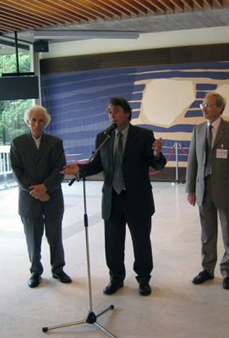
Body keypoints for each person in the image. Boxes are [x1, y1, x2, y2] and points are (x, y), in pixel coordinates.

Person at [61, 97, 166, 297]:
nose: (112, 115)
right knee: (113, 243)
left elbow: (157, 164)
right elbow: (97, 165)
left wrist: (157, 153)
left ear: (127, 112)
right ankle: (116, 278)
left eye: (116, 111)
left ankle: (143, 280)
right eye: (109, 112)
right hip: (112, 199)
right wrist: (79, 169)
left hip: (137, 199)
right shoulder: (104, 137)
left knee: (141, 242)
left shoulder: (143, 135)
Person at [185, 92, 229, 290]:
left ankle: (228, 271)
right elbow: (192, 161)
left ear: (220, 108)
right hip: (203, 189)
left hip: (227, 189)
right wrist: (190, 188)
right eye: (202, 105)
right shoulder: (198, 130)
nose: (204, 108)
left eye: (208, 105)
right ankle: (207, 269)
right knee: (207, 233)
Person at [10, 105, 71, 288]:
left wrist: (45, 188)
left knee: (55, 237)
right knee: (33, 239)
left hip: (52, 197)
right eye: (34, 120)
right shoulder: (17, 143)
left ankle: (58, 269)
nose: (37, 124)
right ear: (28, 122)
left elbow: (59, 170)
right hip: (29, 200)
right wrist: (37, 192)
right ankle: (35, 272)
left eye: (41, 120)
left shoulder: (55, 143)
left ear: (45, 123)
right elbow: (17, 172)